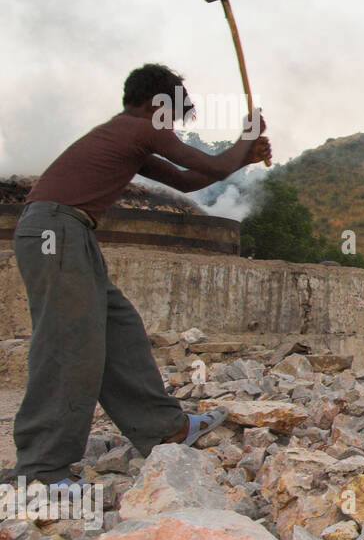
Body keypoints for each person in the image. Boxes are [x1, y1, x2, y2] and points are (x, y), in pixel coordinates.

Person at [12, 63, 272, 486]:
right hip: (55, 231)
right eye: (172, 116)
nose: (171, 126)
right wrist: (246, 138)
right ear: (157, 104)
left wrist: (243, 155)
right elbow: (207, 167)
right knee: (68, 343)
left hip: (68, 231)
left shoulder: (127, 135)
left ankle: (164, 427)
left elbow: (189, 181)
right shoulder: (140, 129)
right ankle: (42, 470)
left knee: (120, 328)